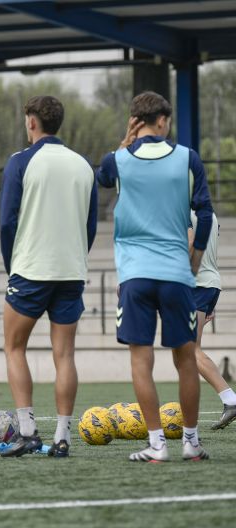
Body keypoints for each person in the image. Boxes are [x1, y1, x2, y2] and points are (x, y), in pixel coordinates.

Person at [96, 91, 213, 462]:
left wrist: (123, 143)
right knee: (186, 359)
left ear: (135, 121)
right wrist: (195, 260)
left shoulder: (117, 161)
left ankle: (157, 445)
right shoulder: (187, 158)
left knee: (140, 360)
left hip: (135, 276)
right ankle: (191, 443)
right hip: (177, 274)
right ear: (162, 120)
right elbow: (205, 215)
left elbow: (101, 178)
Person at [0, 96, 97, 458]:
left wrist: (13, 265)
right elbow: (90, 226)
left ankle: (27, 432)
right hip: (71, 272)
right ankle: (62, 437)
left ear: (32, 122)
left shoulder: (21, 161)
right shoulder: (84, 165)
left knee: (14, 347)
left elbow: (8, 221)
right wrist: (74, 261)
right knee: (65, 355)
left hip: (30, 270)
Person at [189, 210, 236, 429]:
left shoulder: (182, 210)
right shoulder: (209, 212)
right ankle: (229, 399)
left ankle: (231, 400)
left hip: (196, 285)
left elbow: (189, 245)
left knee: (190, 350)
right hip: (209, 284)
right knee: (189, 349)